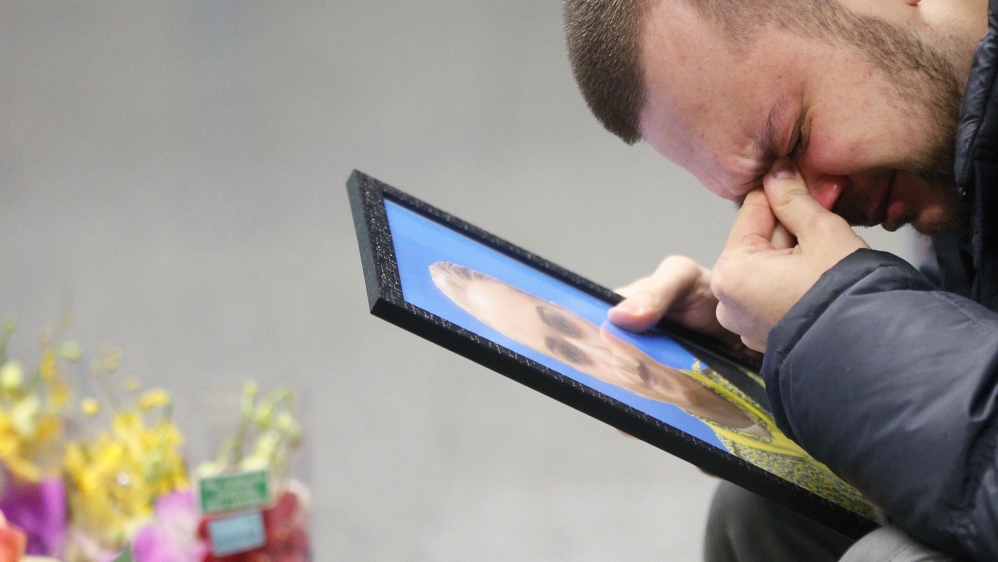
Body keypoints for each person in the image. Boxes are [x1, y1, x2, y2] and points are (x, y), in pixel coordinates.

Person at [562, 0, 998, 561]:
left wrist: (835, 327)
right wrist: (778, 357)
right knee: (762, 518)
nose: (821, 206)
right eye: (761, 193)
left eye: (794, 140)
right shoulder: (960, 156)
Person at [428, 261, 874, 517]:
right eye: (569, 355)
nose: (598, 353)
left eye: (564, 324)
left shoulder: (740, 347)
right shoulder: (735, 451)